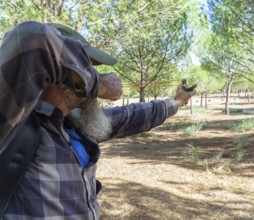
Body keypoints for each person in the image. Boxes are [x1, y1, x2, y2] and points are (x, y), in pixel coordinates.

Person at [0, 21, 195, 220]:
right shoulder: (13, 124)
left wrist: (177, 101)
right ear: (58, 73)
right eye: (86, 67)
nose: (91, 74)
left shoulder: (75, 124)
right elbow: (30, 38)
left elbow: (135, 115)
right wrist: (99, 85)